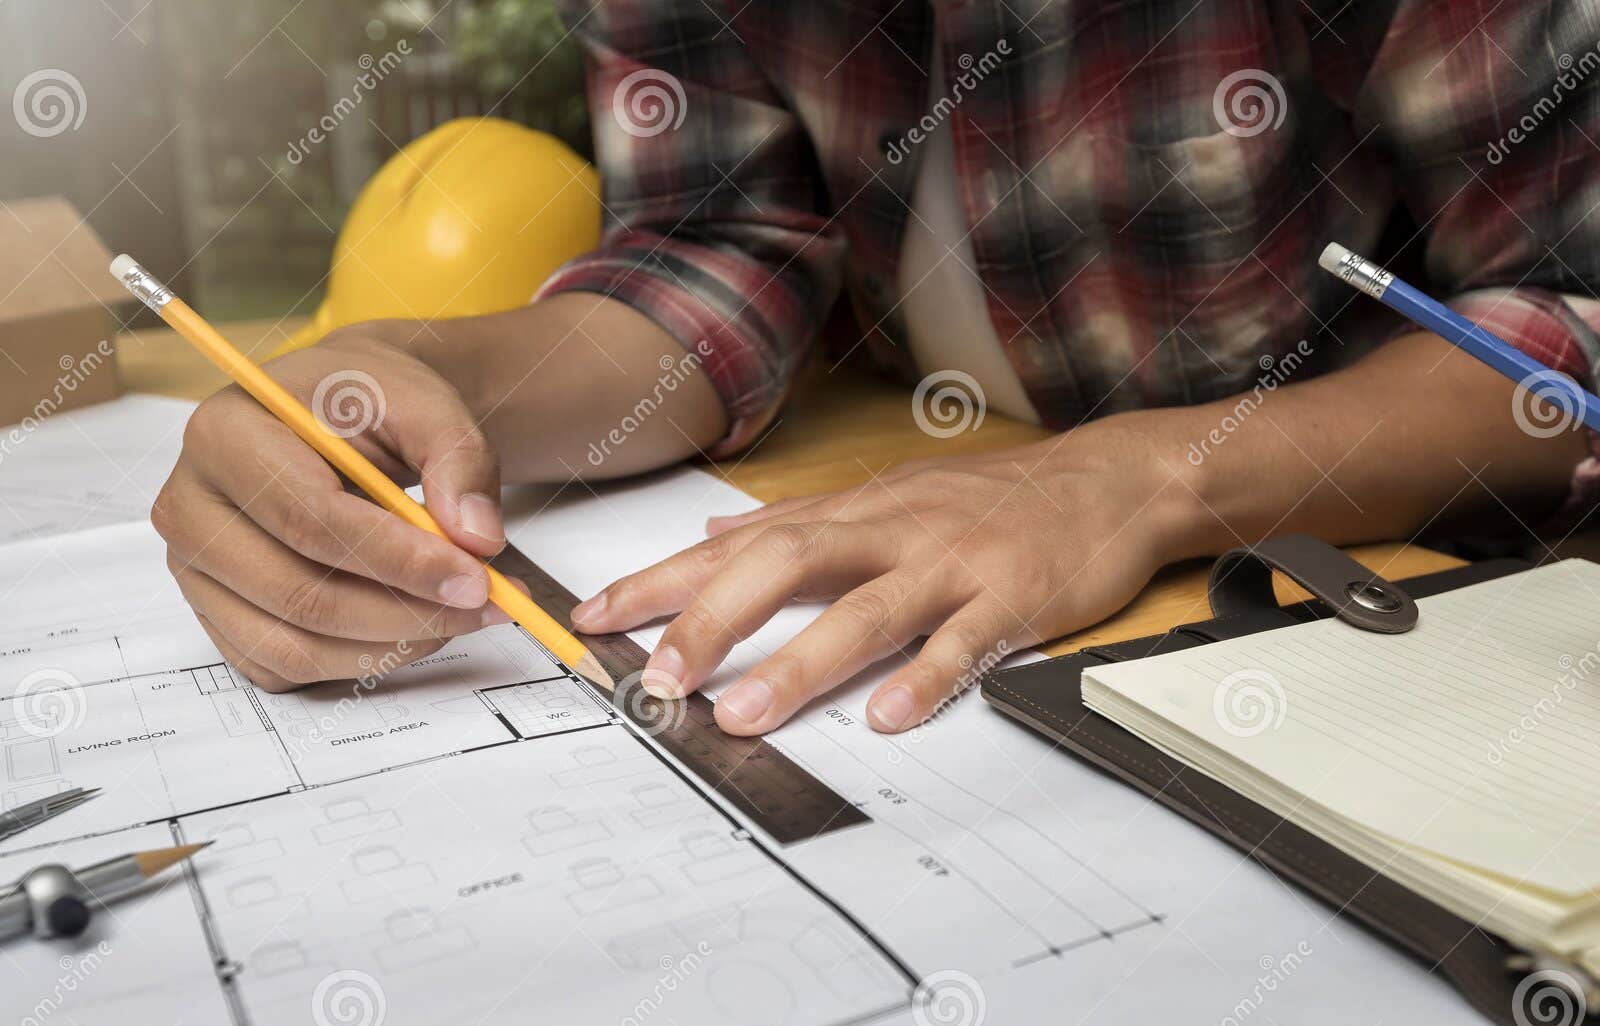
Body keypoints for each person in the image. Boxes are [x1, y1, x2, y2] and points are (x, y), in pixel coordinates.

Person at [152, 0, 1600, 738]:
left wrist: (1137, 478)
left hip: (1380, 601)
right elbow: (722, 244)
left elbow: (1570, 318)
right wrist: (415, 370)